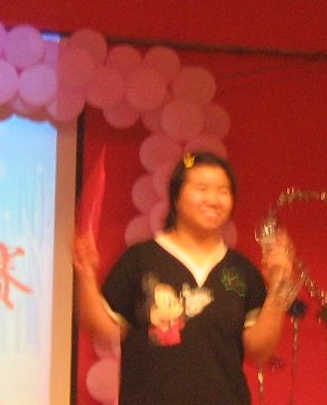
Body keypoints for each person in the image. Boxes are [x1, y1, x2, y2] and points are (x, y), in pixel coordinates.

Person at [74, 151, 294, 405]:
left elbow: (259, 352)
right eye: (202, 188)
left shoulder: (242, 270)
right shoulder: (139, 259)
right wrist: (86, 274)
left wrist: (279, 285)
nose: (214, 200)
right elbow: (103, 330)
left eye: (223, 191)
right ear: (176, 197)